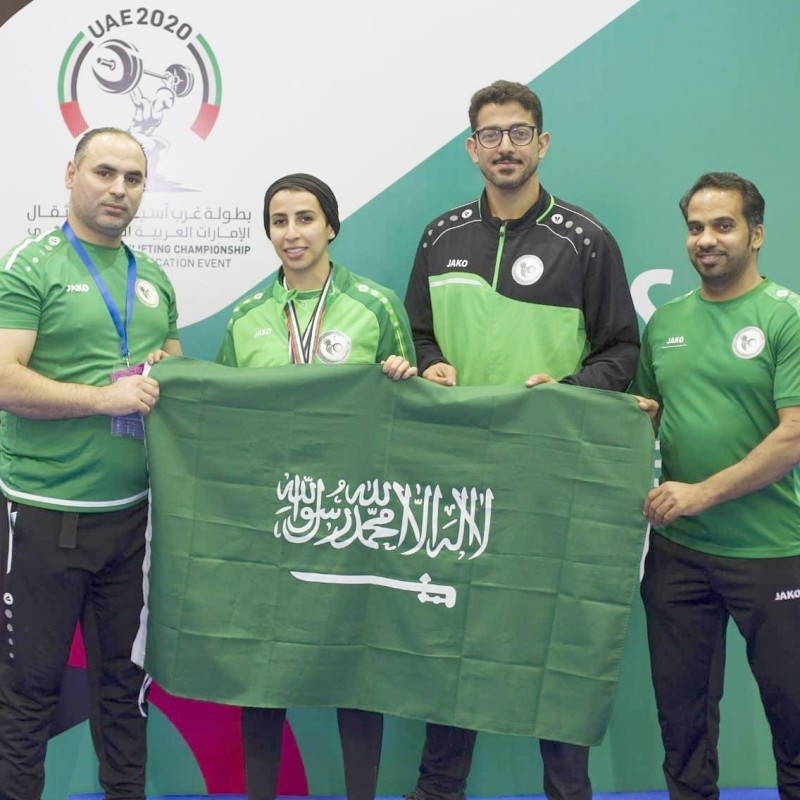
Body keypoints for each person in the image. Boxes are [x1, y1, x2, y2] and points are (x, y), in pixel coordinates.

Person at [403, 80, 639, 800]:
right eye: (491, 134)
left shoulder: (586, 240)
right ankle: (438, 789)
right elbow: (418, 336)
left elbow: (620, 353)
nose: (504, 146)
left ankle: (568, 792)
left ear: (542, 143)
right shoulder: (440, 237)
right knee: (450, 635)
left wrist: (564, 393)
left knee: (553, 638)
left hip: (549, 475)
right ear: (471, 148)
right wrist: (429, 365)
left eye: (519, 133)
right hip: (458, 477)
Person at [217, 173, 417, 800]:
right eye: (279, 221)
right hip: (272, 518)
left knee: (355, 665)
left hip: (352, 518)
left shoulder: (376, 304)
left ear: (331, 226)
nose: (292, 233)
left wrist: (404, 374)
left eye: (305, 218)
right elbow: (222, 414)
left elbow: (413, 410)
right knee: (263, 668)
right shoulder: (246, 316)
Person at [0, 127, 181, 800]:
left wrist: (168, 371)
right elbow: (4, 378)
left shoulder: (152, 276)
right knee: (29, 692)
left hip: (131, 522)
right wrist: (104, 399)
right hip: (45, 517)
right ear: (71, 173)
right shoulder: (30, 266)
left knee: (124, 692)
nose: (118, 189)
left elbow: (173, 369)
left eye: (133, 178)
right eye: (104, 172)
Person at [632, 172, 800, 799]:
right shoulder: (666, 322)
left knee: (795, 720)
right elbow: (644, 414)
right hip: (679, 555)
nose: (706, 239)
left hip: (773, 552)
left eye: (723, 225)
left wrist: (701, 492)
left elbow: (794, 435)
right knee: (683, 728)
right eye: (696, 227)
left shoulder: (786, 316)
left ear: (756, 234)